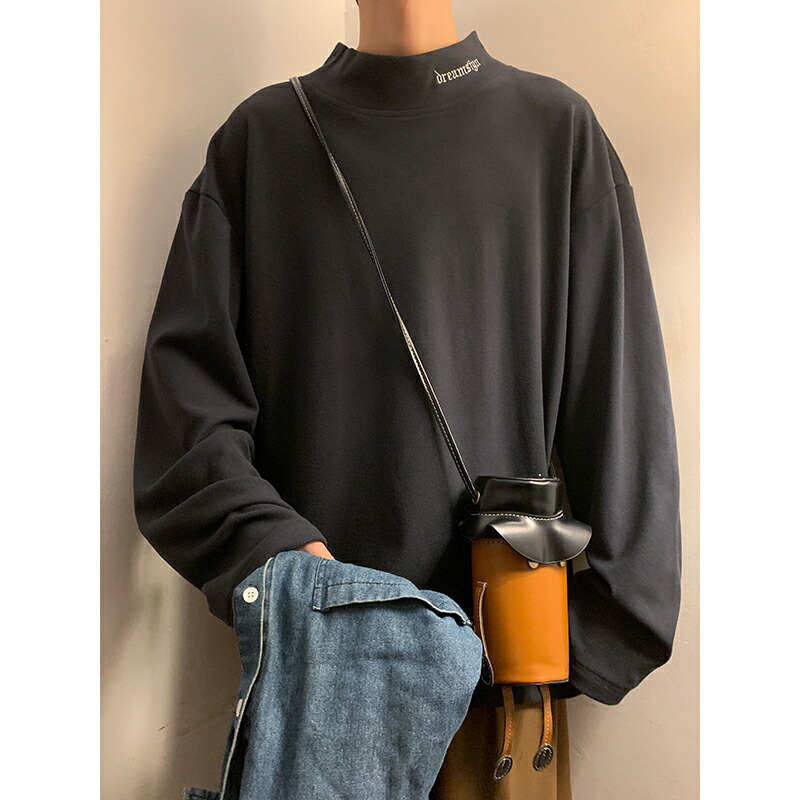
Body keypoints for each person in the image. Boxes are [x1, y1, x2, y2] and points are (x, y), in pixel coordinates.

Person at [133, 1, 682, 798]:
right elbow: (183, 435)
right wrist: (288, 561)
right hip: (317, 692)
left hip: (497, 709)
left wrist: (558, 649)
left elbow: (626, 426)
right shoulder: (260, 143)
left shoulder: (556, 135)